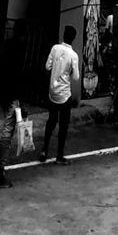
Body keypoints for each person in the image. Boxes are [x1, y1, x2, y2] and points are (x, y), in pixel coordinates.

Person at [0, 19, 28, 190]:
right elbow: (18, 75)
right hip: (13, 95)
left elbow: (0, 70)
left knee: (8, 131)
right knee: (7, 133)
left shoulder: (6, 46)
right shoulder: (20, 48)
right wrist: (21, 101)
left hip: (5, 94)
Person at [39, 25, 80, 166]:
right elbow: (75, 77)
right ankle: (59, 155)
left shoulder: (55, 49)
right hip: (64, 94)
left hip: (52, 91)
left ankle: (44, 150)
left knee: (51, 121)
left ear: (63, 35)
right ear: (73, 38)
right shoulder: (73, 55)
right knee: (63, 125)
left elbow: (47, 67)